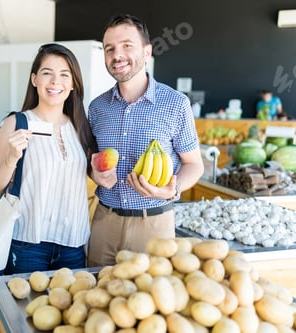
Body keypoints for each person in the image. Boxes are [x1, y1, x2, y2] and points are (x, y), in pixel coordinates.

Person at [87, 14, 204, 267]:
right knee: (94, 295)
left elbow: (194, 164)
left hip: (154, 223)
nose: (117, 55)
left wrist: (172, 189)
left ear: (147, 51)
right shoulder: (97, 108)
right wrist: (94, 172)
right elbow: (93, 160)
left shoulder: (175, 104)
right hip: (104, 221)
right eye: (110, 49)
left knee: (149, 301)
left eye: (127, 45)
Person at [0, 43, 96, 274]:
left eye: (64, 75)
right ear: (34, 79)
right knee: (25, 309)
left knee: (70, 309)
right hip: (28, 244)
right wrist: (11, 159)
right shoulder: (16, 124)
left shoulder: (81, 127)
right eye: (47, 73)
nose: (56, 82)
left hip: (73, 244)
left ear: (73, 83)